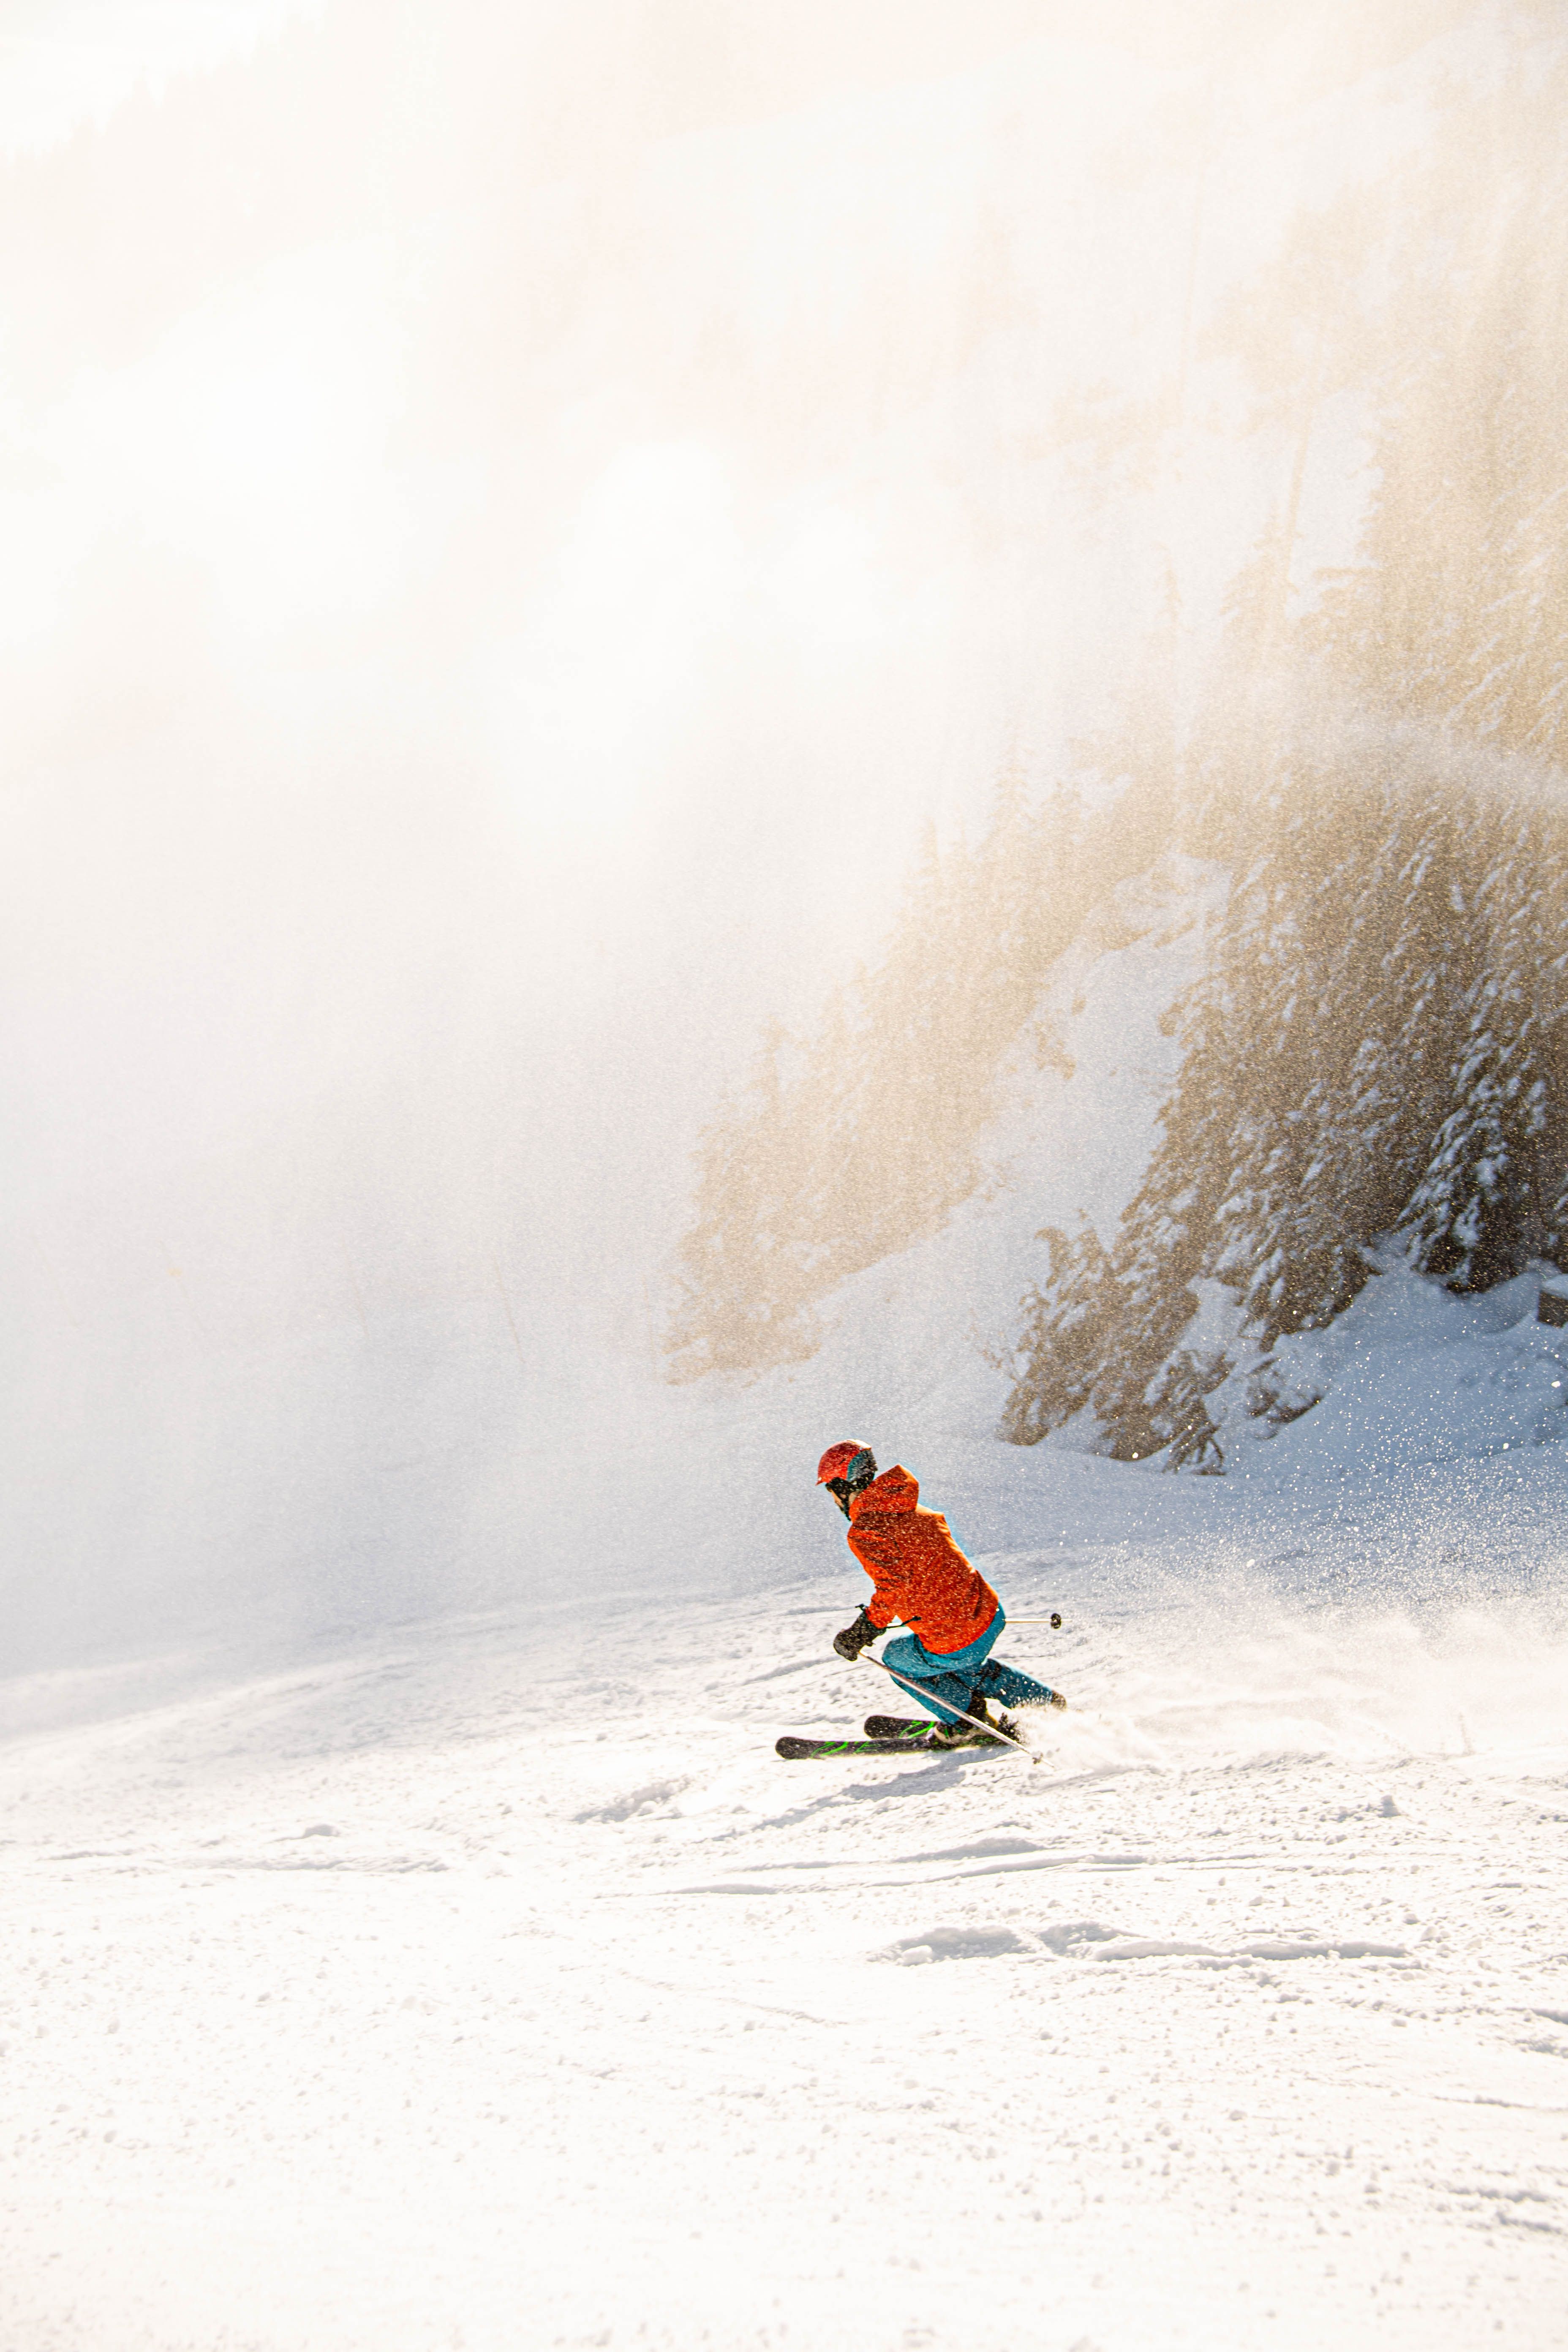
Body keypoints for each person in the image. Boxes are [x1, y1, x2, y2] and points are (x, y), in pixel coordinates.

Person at [817, 1440, 1065, 1748]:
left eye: (831, 1491)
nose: (834, 1500)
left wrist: (862, 1631)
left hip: (956, 1634)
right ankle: (1042, 1700)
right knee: (966, 1663)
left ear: (843, 1487)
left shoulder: (867, 1530)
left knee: (898, 1659)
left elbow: (893, 1587)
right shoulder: (914, 1509)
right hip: (989, 1614)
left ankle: (966, 1723)